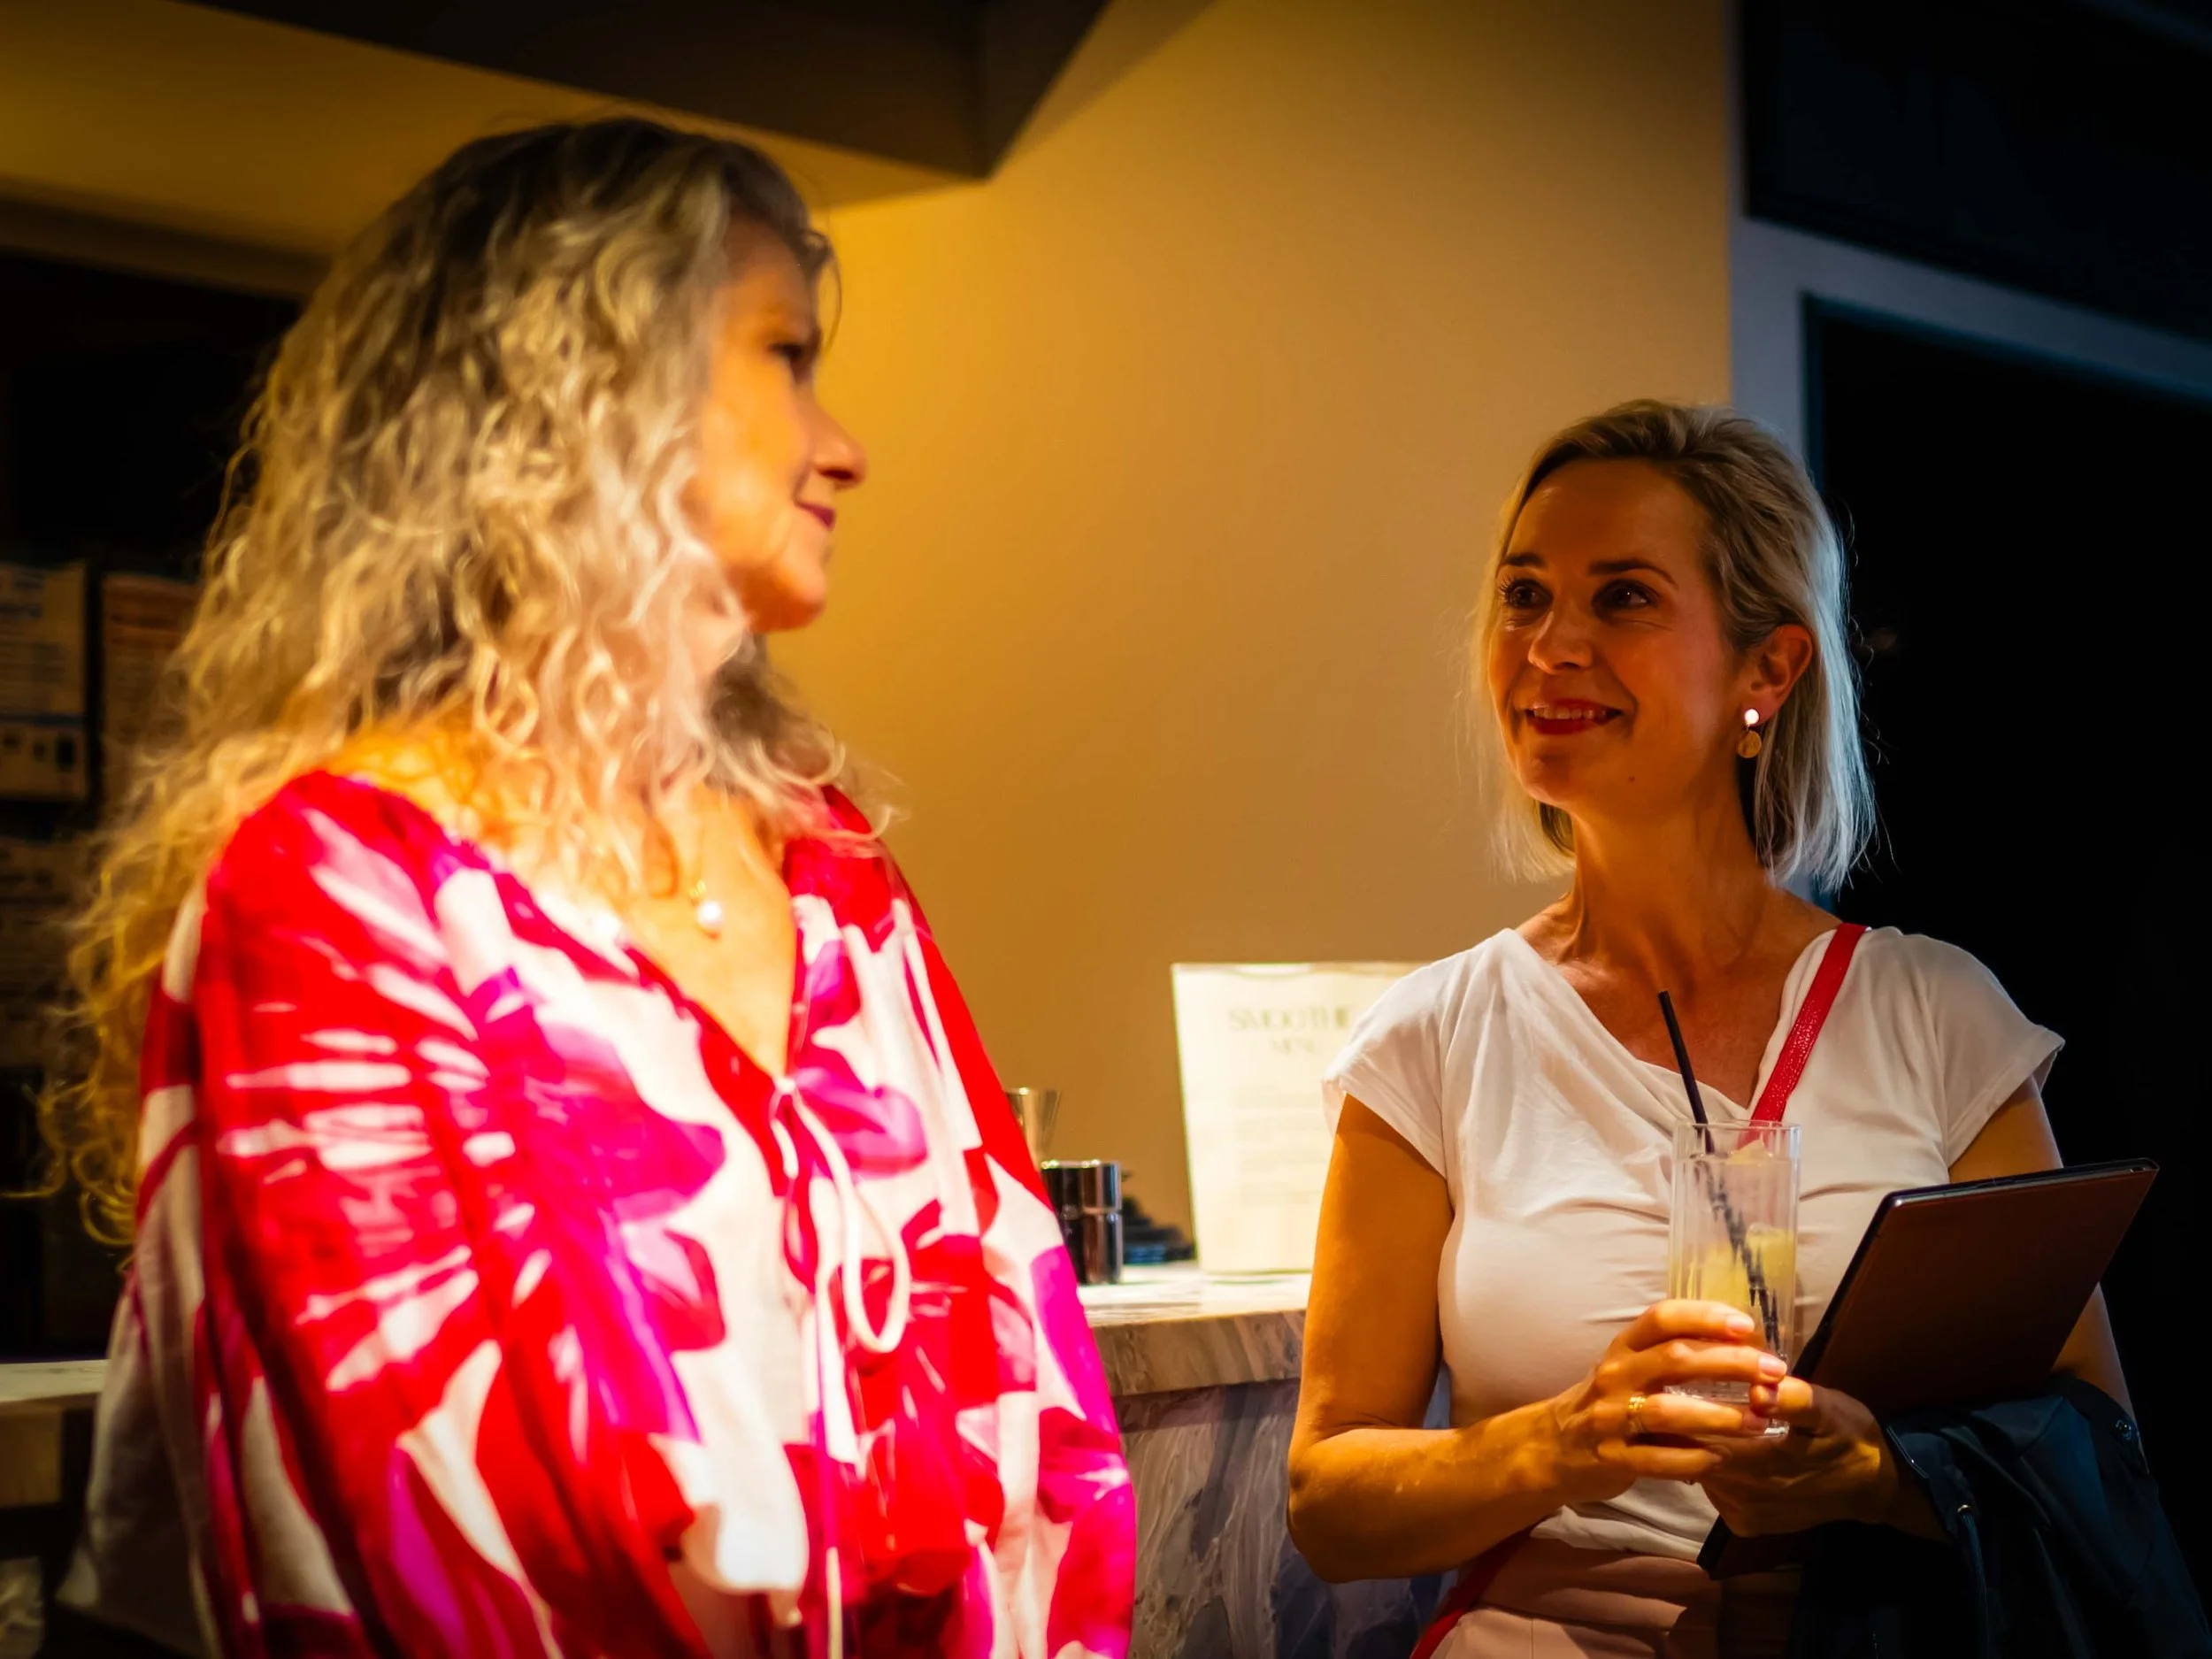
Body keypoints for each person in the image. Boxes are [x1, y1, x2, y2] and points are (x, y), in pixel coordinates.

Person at [41, 119, 1133, 1659]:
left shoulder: (827, 865)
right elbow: (432, 1525)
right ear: (589, 393)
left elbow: (1031, 1390)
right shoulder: (338, 891)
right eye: (786, 356)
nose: (846, 443)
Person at [1284, 402, 2134, 1655]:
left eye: (1621, 597)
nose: (1549, 645)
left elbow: (2092, 1443)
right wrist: (1563, 1440)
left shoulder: (1936, 1015)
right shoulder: (1433, 1038)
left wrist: (1874, 1471)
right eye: (1525, 595)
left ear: (1768, 670)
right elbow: (1328, 1497)